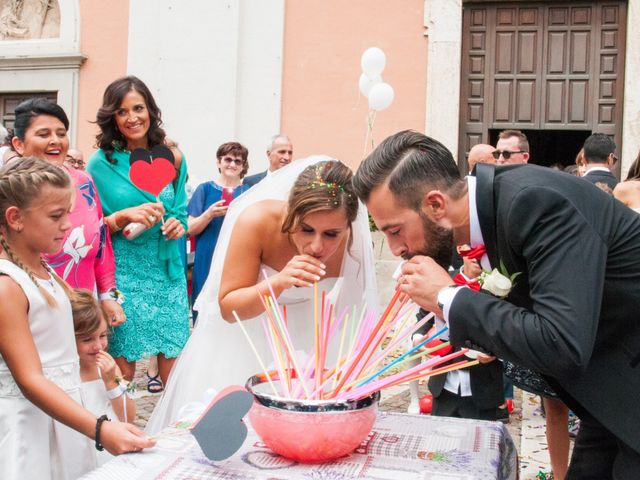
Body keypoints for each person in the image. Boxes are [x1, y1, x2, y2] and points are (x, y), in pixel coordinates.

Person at [354, 130, 640, 479]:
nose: (395, 249)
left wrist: (450, 298)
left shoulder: (535, 202)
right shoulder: (493, 211)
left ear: (435, 204)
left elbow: (561, 342)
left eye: (395, 230)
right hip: (609, 400)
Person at [146, 157, 378, 434]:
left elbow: (352, 319)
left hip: (309, 353)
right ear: (290, 212)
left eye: (331, 234)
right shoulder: (256, 221)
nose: (317, 245)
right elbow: (228, 308)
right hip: (242, 343)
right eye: (306, 229)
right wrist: (278, 283)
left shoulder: (354, 245)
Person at [0, 157, 154, 480]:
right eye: (56, 216)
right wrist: (101, 429)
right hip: (29, 427)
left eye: (68, 213)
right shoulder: (7, 286)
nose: (68, 225)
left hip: (62, 419)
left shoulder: (45, 270)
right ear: (15, 218)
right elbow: (30, 379)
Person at [87, 76, 190, 393]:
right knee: (123, 373)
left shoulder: (172, 156)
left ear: (150, 110)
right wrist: (121, 217)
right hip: (124, 275)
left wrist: (178, 225)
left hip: (167, 273)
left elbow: (180, 211)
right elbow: (90, 227)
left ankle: (174, 436)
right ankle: (119, 433)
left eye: (138, 108)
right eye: (122, 111)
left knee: (175, 368)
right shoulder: (100, 164)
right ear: (112, 118)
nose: (132, 118)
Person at [10, 98, 125, 327]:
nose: (55, 141)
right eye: (44, 134)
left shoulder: (84, 182)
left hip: (83, 308)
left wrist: (107, 295)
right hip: (28, 307)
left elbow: (101, 241)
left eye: (61, 133)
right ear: (19, 144)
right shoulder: (8, 189)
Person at [72, 288, 136, 466]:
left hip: (109, 447)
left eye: (102, 336)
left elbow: (128, 416)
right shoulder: (65, 373)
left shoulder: (110, 367)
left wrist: (111, 383)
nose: (98, 346)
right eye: (87, 340)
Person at [187, 141, 249, 309]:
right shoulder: (205, 189)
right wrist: (209, 214)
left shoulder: (248, 192)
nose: (232, 164)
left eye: (238, 161)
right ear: (218, 162)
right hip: (207, 254)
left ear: (243, 166)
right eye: (228, 159)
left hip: (236, 256)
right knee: (204, 305)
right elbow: (189, 229)